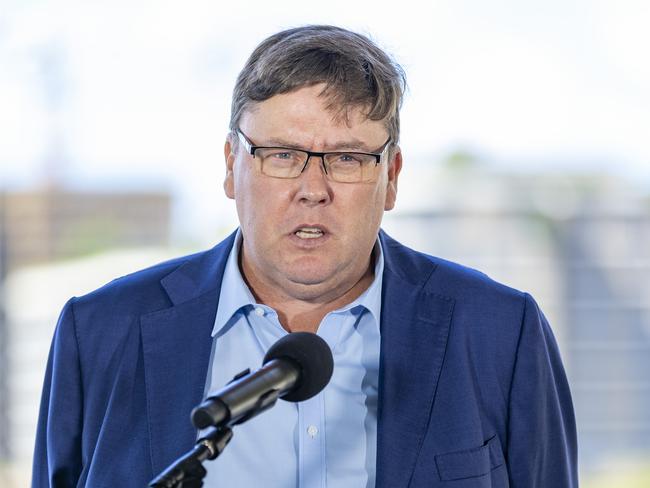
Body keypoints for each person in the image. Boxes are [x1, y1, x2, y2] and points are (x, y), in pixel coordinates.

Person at [32, 25, 578, 487]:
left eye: (347, 158)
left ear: (391, 178)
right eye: (283, 155)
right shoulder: (100, 332)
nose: (312, 188)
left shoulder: (501, 333)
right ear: (230, 165)